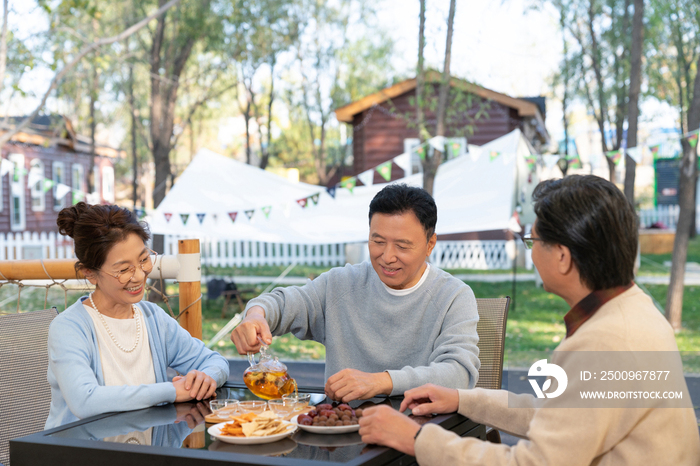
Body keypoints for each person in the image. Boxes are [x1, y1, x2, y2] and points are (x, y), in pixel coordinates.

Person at [358, 175, 700, 465]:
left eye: (533, 241)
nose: (532, 252)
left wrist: (416, 438)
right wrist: (463, 399)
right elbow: (560, 416)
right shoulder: (632, 309)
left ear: (563, 257)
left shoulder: (605, 340)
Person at [231, 184, 479, 402]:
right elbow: (286, 303)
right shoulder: (341, 284)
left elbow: (458, 374)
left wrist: (379, 382)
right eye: (377, 241)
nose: (387, 257)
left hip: (418, 436)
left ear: (430, 244)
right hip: (342, 434)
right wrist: (255, 314)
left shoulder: (453, 296)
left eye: (402, 246)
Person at [45, 202, 229, 429]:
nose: (139, 276)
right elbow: (85, 401)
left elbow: (215, 361)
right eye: (123, 270)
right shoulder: (69, 328)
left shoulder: (152, 318)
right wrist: (172, 391)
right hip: (79, 453)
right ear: (90, 273)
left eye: (143, 260)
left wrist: (205, 378)